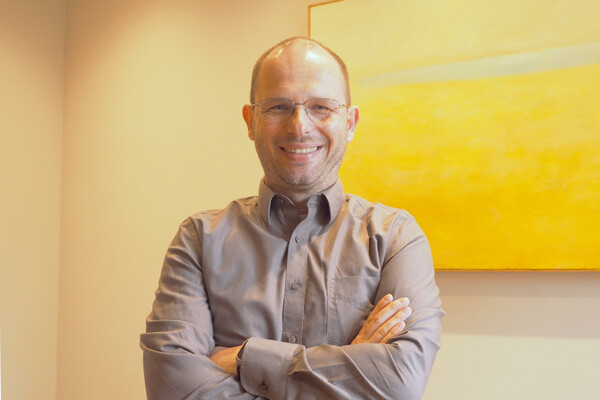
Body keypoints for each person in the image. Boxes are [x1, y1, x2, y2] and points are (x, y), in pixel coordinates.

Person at [140, 37, 443, 400]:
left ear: (350, 123)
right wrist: (348, 367)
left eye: (321, 107)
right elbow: (173, 389)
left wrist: (245, 358)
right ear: (251, 121)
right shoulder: (198, 240)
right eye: (278, 107)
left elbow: (401, 382)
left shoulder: (394, 237)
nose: (299, 126)